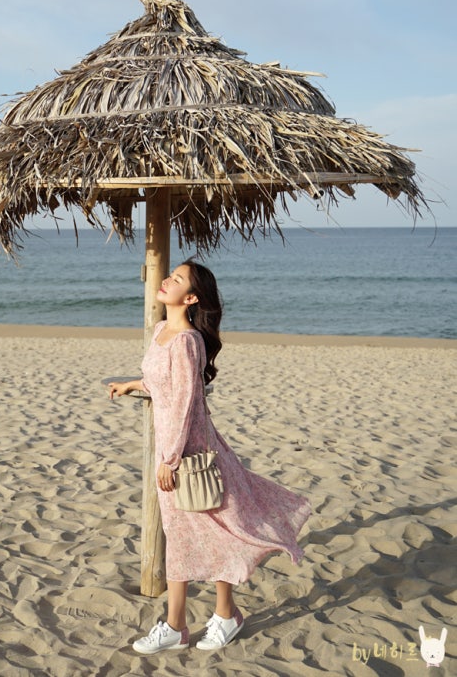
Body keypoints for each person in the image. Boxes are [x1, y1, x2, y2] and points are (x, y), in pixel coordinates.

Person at [109, 260, 311, 655]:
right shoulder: (161, 332)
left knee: (220, 529)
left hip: (192, 454)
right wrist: (132, 383)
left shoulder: (188, 341)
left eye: (177, 279)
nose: (166, 280)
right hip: (171, 452)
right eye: (170, 276)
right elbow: (160, 381)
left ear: (191, 297)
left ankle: (225, 615)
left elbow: (185, 402)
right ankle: (176, 626)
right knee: (181, 538)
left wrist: (169, 460)